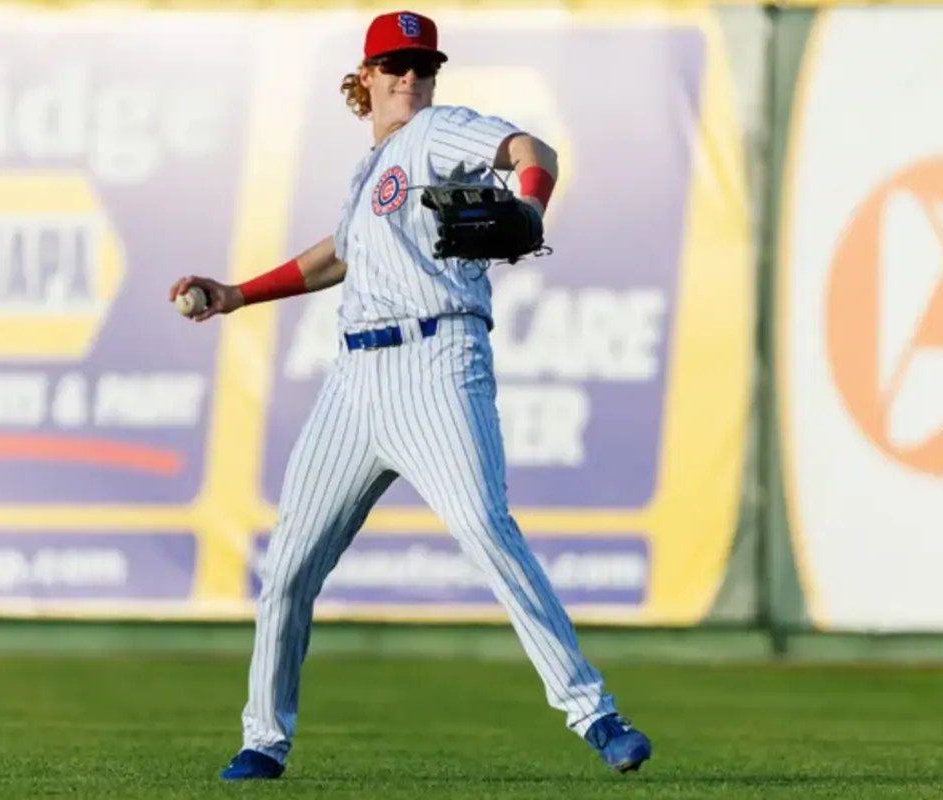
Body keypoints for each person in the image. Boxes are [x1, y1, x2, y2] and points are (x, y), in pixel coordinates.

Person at [169, 9, 653, 782]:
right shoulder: (371, 172)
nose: (409, 77)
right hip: (357, 380)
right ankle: (263, 740)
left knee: (486, 530)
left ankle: (595, 713)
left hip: (438, 361)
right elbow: (337, 256)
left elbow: (534, 151)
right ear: (364, 78)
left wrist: (528, 204)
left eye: (421, 65)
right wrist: (234, 294)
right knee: (290, 564)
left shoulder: (437, 132)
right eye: (394, 65)